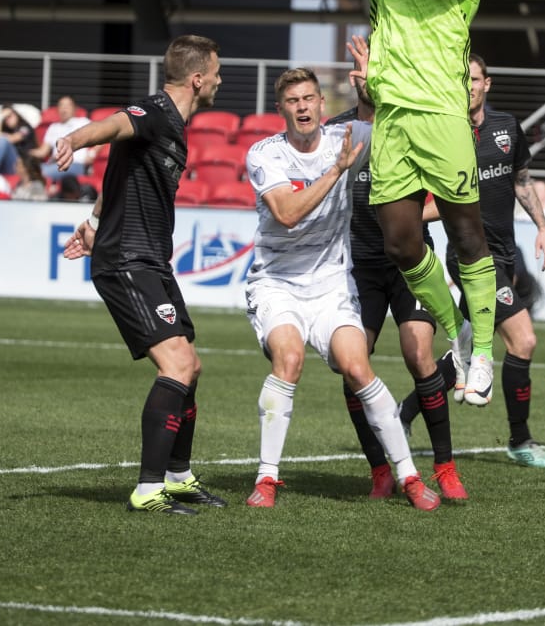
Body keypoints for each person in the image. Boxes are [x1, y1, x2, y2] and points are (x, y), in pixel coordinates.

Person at [319, 0, 500, 407]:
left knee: (467, 236)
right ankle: (459, 332)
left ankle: (484, 350)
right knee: (400, 244)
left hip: (444, 117)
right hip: (393, 120)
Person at [240, 67, 440, 511]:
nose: (302, 107)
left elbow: (396, 123)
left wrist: (374, 83)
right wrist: (337, 170)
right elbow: (287, 214)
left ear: (321, 103)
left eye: (308, 98)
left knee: (357, 367)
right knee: (289, 360)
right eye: (293, 101)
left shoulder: (346, 137)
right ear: (281, 109)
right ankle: (266, 478)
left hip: (331, 284)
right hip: (277, 284)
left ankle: (409, 476)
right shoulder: (265, 154)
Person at [56, 35, 228, 516]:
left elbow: (120, 173)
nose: (220, 80)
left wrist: (93, 222)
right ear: (198, 79)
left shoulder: (172, 125)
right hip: (128, 262)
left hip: (150, 260)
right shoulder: (155, 111)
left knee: (191, 366)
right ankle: (149, 488)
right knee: (177, 365)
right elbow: (115, 125)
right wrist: (74, 139)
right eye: (216, 72)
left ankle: (177, 476)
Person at [328, 34, 469, 502]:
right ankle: (379, 472)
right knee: (352, 366)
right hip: (358, 268)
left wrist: (404, 219)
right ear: (355, 78)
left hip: (409, 262)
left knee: (419, 355)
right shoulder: (337, 132)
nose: (369, 76)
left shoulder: (414, 126)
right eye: (363, 69)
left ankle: (445, 468)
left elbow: (447, 198)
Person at [419, 54, 545, 467]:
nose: (468, 86)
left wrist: (544, 226)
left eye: (475, 79)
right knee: (524, 339)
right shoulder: (444, 133)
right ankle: (520, 440)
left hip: (505, 253)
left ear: (487, 83)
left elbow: (521, 182)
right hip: (469, 255)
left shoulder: (507, 127)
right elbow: (438, 199)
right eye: (461, 79)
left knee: (464, 349)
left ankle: (404, 412)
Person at [32, 94, 91, 179]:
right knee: (30, 170)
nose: (64, 109)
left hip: (75, 164)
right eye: (61, 105)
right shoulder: (53, 127)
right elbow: (43, 152)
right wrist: (24, 153)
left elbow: (102, 135)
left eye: (67, 106)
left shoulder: (83, 122)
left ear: (75, 108)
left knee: (38, 173)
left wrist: (92, 154)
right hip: (54, 164)